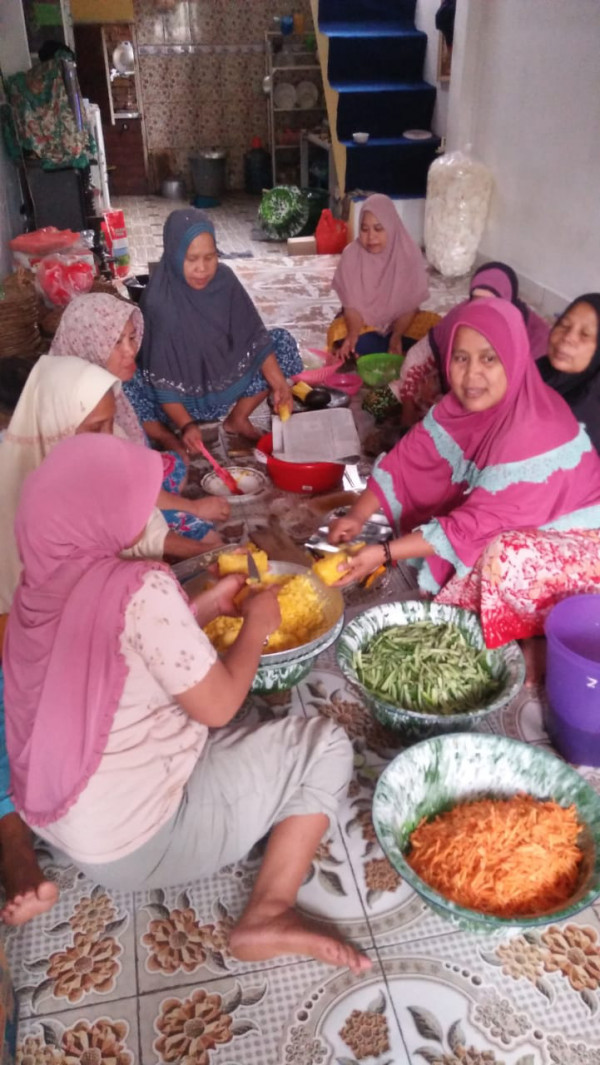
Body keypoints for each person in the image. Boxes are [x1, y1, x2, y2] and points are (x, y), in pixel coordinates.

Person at [4, 433, 370, 974]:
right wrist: (255, 629)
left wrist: (204, 605)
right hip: (140, 843)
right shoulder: (139, 585)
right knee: (325, 744)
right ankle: (269, 910)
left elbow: (119, 650)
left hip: (63, 824)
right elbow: (219, 707)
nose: (143, 519)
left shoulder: (36, 586)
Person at [329, 299, 600, 649]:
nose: (472, 375)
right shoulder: (459, 406)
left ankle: (535, 636)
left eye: (489, 358)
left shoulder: (534, 427)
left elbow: (475, 525)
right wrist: (356, 515)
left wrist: (382, 553)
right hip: (528, 517)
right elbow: (408, 458)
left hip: (584, 541)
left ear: (513, 357)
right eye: (461, 358)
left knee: (499, 555)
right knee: (456, 531)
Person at [49, 292, 229, 543]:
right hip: (102, 515)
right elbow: (122, 489)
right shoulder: (79, 410)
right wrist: (194, 508)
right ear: (87, 343)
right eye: (115, 342)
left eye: (132, 338)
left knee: (175, 464)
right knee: (211, 541)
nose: (130, 350)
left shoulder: (107, 385)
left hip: (122, 490)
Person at [139, 208, 302, 446]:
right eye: (192, 259)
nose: (202, 269)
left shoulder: (224, 281)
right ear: (174, 255)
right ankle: (179, 429)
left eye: (210, 256)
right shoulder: (160, 303)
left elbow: (254, 336)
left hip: (222, 382)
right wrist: (187, 425)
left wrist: (280, 386)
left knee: (281, 343)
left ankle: (237, 418)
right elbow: (161, 381)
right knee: (129, 386)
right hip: (178, 404)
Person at [396, 261, 551, 425]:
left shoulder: (533, 338)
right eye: (476, 301)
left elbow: (526, 401)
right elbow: (418, 354)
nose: (481, 310)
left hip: (492, 416)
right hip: (452, 392)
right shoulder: (461, 317)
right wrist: (408, 407)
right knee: (376, 401)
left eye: (492, 303)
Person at [328, 193, 430, 361]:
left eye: (378, 228)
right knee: (338, 333)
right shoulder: (352, 255)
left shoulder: (408, 253)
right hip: (363, 325)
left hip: (402, 324)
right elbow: (351, 306)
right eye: (364, 229)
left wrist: (396, 336)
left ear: (391, 226)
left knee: (432, 329)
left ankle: (389, 348)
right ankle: (365, 349)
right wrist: (352, 335)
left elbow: (410, 306)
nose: (371, 237)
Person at [537, 293, 600, 452]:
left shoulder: (583, 419)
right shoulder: (540, 369)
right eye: (564, 325)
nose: (568, 337)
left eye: (585, 334)